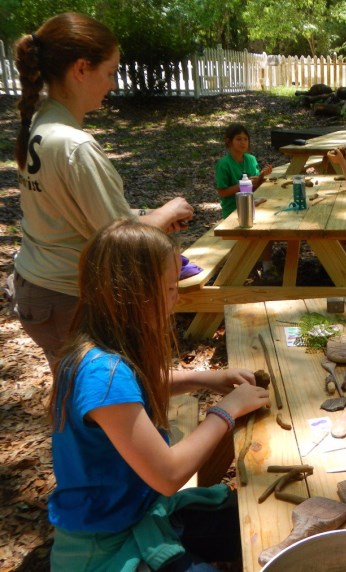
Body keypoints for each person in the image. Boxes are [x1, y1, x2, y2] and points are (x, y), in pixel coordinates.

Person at [48, 219, 271, 571]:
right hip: (108, 545)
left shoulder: (100, 348)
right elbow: (168, 476)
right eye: (169, 289)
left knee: (259, 520)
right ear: (133, 295)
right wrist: (225, 411)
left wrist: (207, 378)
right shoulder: (102, 377)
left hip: (140, 510)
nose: (177, 298)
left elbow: (139, 383)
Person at [12, 13, 194, 364]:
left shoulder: (41, 125)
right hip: (68, 297)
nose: (113, 84)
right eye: (110, 72)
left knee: (76, 396)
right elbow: (117, 243)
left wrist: (144, 215)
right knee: (102, 404)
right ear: (81, 69)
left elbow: (75, 212)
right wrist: (164, 214)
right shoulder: (74, 146)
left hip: (37, 288)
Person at [215, 123, 276, 279]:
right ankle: (244, 267)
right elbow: (222, 192)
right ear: (229, 142)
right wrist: (243, 184)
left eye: (245, 139)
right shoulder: (224, 164)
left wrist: (262, 176)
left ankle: (267, 265)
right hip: (233, 208)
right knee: (256, 227)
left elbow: (255, 186)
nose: (243, 143)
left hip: (254, 202)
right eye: (238, 139)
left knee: (269, 225)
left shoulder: (251, 159)